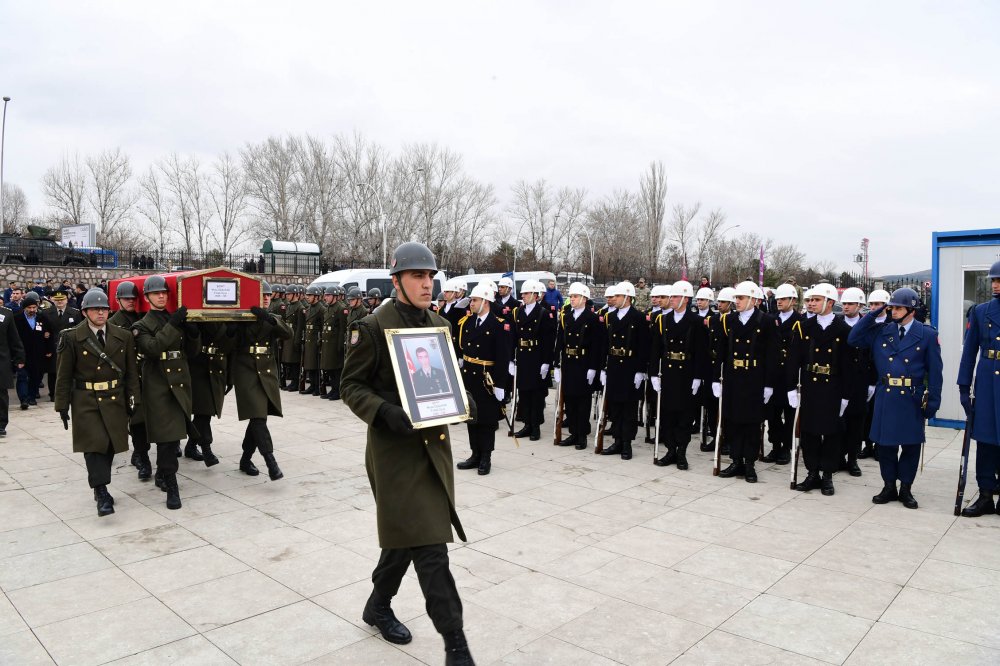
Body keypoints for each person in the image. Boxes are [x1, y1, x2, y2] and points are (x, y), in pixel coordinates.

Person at [341, 242, 475, 665]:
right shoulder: (372, 326)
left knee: (405, 539)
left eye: (431, 276)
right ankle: (456, 645)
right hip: (394, 454)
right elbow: (351, 386)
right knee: (431, 547)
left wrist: (460, 397)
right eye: (418, 276)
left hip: (432, 450)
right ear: (397, 280)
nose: (427, 284)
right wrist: (383, 412)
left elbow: (444, 375)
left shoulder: (438, 323)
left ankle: (377, 605)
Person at [849, 287, 942, 509]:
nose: (893, 311)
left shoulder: (927, 334)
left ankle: (906, 488)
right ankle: (889, 486)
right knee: (886, 446)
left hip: (911, 396)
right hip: (887, 395)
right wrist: (874, 312)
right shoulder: (882, 330)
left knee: (910, 446)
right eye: (891, 307)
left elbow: (935, 372)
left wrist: (934, 401)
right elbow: (853, 338)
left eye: (898, 308)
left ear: (911, 309)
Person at [54, 288, 140, 517]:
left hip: (115, 397)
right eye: (95, 309)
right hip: (86, 399)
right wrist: (62, 405)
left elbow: (131, 372)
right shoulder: (71, 337)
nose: (100, 313)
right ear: (85, 312)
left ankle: (101, 486)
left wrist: (134, 398)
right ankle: (101, 492)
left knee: (111, 444)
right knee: (94, 446)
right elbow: (63, 374)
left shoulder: (123, 336)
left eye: (104, 309)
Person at [132, 275, 201, 510]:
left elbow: (191, 353)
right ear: (147, 297)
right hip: (159, 386)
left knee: (174, 439)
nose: (161, 296)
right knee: (166, 438)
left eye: (164, 293)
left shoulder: (175, 320)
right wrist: (175, 324)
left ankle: (162, 473)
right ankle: (172, 486)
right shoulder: (140, 326)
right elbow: (153, 348)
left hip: (180, 383)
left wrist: (192, 333)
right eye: (156, 293)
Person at [786, 284, 850, 495]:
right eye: (809, 300)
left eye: (816, 299)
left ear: (830, 302)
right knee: (809, 431)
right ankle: (812, 472)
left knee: (831, 433)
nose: (811, 303)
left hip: (833, 386)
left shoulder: (843, 330)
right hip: (810, 385)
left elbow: (849, 365)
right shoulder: (804, 326)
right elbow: (793, 360)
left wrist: (846, 396)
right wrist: (790, 389)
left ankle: (827, 475)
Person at [713, 281, 777, 483]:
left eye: (740, 298)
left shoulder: (765, 321)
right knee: (733, 420)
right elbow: (720, 352)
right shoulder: (729, 320)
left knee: (751, 423)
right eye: (736, 298)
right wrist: (717, 378)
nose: (737, 302)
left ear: (753, 300)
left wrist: (769, 384)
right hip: (733, 375)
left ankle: (749, 462)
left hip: (754, 376)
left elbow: (771, 355)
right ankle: (736, 460)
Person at [228, 281, 290, 480]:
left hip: (266, 373)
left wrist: (269, 320)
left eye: (268, 295)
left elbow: (288, 334)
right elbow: (229, 342)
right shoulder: (243, 317)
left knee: (258, 418)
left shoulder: (274, 318)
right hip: (246, 371)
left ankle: (246, 459)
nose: (265, 298)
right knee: (257, 417)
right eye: (262, 295)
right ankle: (270, 461)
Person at [650, 281, 710, 469]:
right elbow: (656, 349)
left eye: (674, 297)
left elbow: (702, 352)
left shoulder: (697, 322)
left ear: (685, 299)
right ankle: (670, 450)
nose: (671, 300)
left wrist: (698, 376)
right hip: (668, 371)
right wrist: (653, 373)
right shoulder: (663, 320)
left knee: (684, 415)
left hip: (687, 373)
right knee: (667, 414)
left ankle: (681, 452)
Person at [957, 261, 1000, 516]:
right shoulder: (981, 312)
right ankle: (985, 495)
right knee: (984, 441)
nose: (995, 284)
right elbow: (969, 352)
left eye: (999, 280)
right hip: (986, 385)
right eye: (993, 280)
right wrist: (964, 387)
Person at [456, 281, 511, 475]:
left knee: (486, 419)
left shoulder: (498, 325)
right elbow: (464, 348)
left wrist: (500, 385)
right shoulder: (468, 322)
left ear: (486, 301)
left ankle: (486, 456)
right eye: (471, 300)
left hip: (487, 378)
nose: (471, 303)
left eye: (475, 300)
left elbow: (503, 357)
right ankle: (475, 454)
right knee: (472, 417)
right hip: (470, 376)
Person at [599, 281, 650, 460]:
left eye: (618, 296)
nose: (614, 299)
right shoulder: (610, 317)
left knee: (628, 407)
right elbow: (605, 344)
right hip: (613, 364)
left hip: (630, 366)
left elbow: (644, 347)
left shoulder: (638, 317)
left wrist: (640, 371)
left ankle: (627, 443)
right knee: (615, 405)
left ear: (627, 298)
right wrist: (603, 368)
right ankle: (617, 440)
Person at [553, 282, 606, 449]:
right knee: (569, 400)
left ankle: (582, 435)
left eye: (575, 296)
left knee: (582, 402)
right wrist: (556, 364)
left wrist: (593, 368)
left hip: (584, 363)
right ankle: (573, 433)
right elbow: (560, 342)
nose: (572, 299)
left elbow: (597, 346)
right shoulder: (566, 317)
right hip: (569, 362)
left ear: (584, 298)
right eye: (571, 296)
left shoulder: (593, 318)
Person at [109, 281, 150, 477]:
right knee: (137, 420)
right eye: (127, 299)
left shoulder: (142, 317)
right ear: (118, 300)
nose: (131, 302)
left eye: (134, 299)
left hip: (145, 375)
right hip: (127, 377)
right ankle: (142, 457)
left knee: (144, 419)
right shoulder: (114, 323)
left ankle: (140, 454)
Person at [509, 280, 556, 441]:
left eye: (526, 293)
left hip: (537, 356)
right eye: (522, 293)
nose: (523, 296)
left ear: (535, 295)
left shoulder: (542, 313)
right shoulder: (519, 312)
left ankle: (535, 426)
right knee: (524, 393)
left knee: (536, 394)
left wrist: (546, 362)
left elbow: (548, 340)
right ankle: (527, 424)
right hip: (523, 356)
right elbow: (513, 337)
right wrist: (511, 359)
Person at [761, 283, 800, 465]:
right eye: (777, 299)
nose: (779, 302)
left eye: (783, 299)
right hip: (773, 373)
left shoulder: (800, 321)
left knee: (790, 413)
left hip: (790, 374)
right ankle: (775, 445)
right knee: (773, 414)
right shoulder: (771, 319)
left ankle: (786, 447)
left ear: (793, 300)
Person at [839, 287, 875, 477]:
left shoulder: (869, 326)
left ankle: (852, 458)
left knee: (856, 422)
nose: (846, 307)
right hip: (840, 380)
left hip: (861, 379)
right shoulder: (837, 324)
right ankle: (838, 456)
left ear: (860, 305)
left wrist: (872, 382)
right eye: (844, 303)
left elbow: (875, 355)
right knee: (839, 421)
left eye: (850, 304)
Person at [186, 322, 230, 465]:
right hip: (198, 366)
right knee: (204, 411)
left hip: (217, 367)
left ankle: (191, 445)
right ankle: (206, 447)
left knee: (207, 411)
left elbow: (231, 349)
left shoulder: (228, 317)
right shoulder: (198, 314)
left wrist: (231, 377)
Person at [858, 288, 891, 461]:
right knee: (867, 413)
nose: (873, 307)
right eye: (871, 304)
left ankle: (879, 445)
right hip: (867, 373)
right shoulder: (867, 322)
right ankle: (868, 444)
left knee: (881, 413)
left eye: (877, 304)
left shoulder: (892, 323)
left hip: (883, 374)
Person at [14, 292, 55, 410]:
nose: (32, 310)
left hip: (38, 353)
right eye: (29, 308)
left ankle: (32, 397)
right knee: (22, 376)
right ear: (24, 308)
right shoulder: (17, 319)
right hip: (22, 353)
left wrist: (49, 349)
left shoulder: (42, 318)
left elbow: (49, 334)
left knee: (35, 376)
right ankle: (24, 399)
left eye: (34, 307)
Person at [42, 290, 81, 401]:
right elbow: (43, 330)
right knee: (53, 372)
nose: (60, 302)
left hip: (69, 346)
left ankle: (68, 394)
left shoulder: (75, 313)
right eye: (57, 300)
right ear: (52, 300)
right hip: (52, 346)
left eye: (62, 300)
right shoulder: (45, 313)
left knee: (69, 371)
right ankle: (53, 394)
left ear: (66, 300)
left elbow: (78, 330)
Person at [0, 296, 25, 436]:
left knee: (1, 394)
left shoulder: (6, 314)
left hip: (1, 360)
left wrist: (19, 357)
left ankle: (1, 424)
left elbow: (14, 338)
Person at [300, 285, 326, 394]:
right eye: (307, 295)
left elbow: (322, 326)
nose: (307, 297)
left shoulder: (321, 309)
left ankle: (316, 386)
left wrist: (320, 340)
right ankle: (312, 385)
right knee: (309, 364)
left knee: (315, 364)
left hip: (316, 339)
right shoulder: (309, 308)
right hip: (309, 339)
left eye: (310, 295)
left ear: (316, 297)